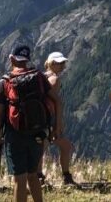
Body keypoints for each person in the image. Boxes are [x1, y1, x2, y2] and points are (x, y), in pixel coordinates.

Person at [0, 45, 61, 202]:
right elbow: (56, 100)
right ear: (27, 60)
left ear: (11, 58)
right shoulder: (39, 77)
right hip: (37, 132)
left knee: (19, 180)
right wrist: (56, 126)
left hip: (14, 135)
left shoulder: (4, 83)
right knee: (33, 175)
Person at [38, 51, 78, 188]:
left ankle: (39, 178)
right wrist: (58, 123)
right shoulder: (54, 79)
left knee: (42, 148)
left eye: (63, 63)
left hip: (39, 118)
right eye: (59, 63)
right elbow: (56, 102)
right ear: (51, 64)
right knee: (65, 146)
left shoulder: (40, 76)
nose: (62, 66)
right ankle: (65, 177)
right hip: (49, 118)